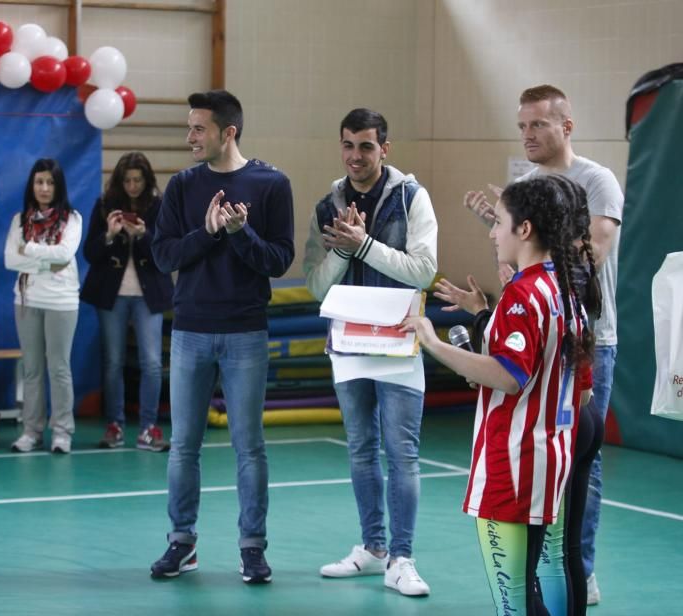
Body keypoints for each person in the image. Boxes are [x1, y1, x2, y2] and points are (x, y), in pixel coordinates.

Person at [403, 177, 593, 616]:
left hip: (514, 462)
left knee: (515, 601)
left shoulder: (522, 296)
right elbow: (580, 392)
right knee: (550, 572)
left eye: (499, 222)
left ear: (524, 230)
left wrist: (433, 343)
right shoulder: (566, 291)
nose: (492, 232)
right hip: (552, 455)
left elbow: (509, 377)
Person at [463, 84, 623, 604]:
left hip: (584, 343)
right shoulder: (525, 184)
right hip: (541, 336)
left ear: (566, 127)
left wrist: (526, 235)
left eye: (538, 125)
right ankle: (550, 568)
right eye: (522, 126)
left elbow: (588, 255)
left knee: (577, 461)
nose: (528, 135)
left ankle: (582, 566)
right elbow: (518, 271)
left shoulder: (596, 181)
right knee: (542, 470)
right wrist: (502, 230)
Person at [149, 90, 294, 584]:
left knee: (249, 446)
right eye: (189, 128)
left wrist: (239, 234)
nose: (190, 137)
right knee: (183, 446)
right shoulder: (182, 186)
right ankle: (181, 542)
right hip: (189, 331)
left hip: (246, 333)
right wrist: (209, 233)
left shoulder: (272, 184)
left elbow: (278, 261)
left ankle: (252, 547)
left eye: (198, 129)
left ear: (227, 132)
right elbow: (165, 256)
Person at [303, 108, 438, 597]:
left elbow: (424, 271)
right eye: (348, 146)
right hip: (349, 344)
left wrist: (363, 245)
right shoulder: (328, 205)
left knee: (402, 453)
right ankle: (373, 548)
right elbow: (317, 285)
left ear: (385, 148)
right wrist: (341, 250)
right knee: (361, 449)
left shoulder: (411, 198)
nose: (355, 156)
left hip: (400, 341)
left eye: (366, 146)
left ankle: (402, 558)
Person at [81, 152, 173, 452]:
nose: (133, 186)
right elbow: (89, 254)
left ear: (146, 181)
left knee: (151, 362)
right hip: (113, 294)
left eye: (138, 180)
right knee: (114, 361)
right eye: (128, 180)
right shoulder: (105, 204)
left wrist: (144, 235)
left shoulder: (159, 206)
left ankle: (148, 426)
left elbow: (167, 254)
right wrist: (109, 235)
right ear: (120, 182)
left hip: (149, 294)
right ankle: (115, 424)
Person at [5, 159, 81, 454]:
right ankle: (31, 431)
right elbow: (11, 260)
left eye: (50, 182)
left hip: (62, 301)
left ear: (58, 185)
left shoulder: (72, 219)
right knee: (32, 369)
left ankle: (62, 431)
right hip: (26, 300)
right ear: (32, 185)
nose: (45, 188)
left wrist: (31, 250)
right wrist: (46, 259)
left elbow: (65, 253)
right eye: (39, 182)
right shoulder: (19, 220)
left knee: (59, 367)